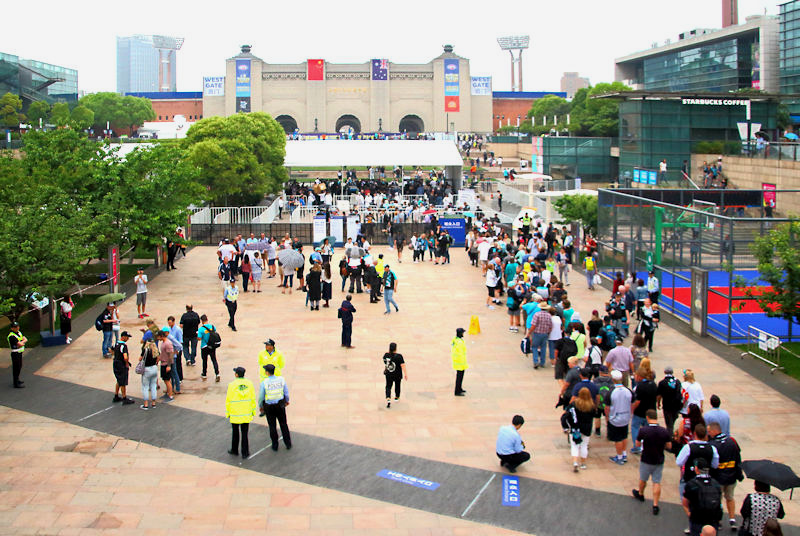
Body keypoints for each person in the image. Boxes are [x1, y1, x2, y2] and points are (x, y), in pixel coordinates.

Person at [632, 409, 672, 515]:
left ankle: (640, 494)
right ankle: (655, 504)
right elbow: (669, 446)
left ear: (647, 418)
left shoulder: (644, 430)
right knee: (656, 482)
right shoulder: (664, 431)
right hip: (659, 459)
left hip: (646, 458)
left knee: (643, 479)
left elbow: (637, 444)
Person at [708, 421, 743, 531]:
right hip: (731, 476)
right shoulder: (732, 441)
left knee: (717, 500)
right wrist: (739, 473)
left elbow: (712, 463)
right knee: (730, 498)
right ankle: (732, 519)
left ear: (714, 431)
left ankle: (718, 520)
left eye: (709, 431)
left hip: (718, 478)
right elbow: (738, 459)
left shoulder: (713, 445)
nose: (708, 433)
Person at [682, 457, 723, 536]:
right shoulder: (715, 483)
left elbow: (685, 502)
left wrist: (690, 514)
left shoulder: (691, 484)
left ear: (696, 468)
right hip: (713, 520)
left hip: (697, 519)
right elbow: (719, 501)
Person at [258, 364, 292, 451]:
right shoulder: (281, 379)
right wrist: (286, 401)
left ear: (267, 372)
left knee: (272, 426)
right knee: (284, 424)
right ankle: (288, 443)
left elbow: (261, 397)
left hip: (269, 406)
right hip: (280, 405)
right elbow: (286, 392)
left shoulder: (264, 382)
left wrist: (261, 406)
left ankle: (275, 445)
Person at [226, 366, 257, 459]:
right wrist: (253, 411)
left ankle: (234, 450)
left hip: (235, 413)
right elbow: (252, 398)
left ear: (236, 374)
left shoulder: (232, 385)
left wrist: (228, 413)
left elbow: (228, 400)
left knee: (235, 432)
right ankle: (245, 452)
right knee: (245, 433)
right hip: (246, 413)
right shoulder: (249, 384)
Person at [562, 387, 595, 472]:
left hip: (576, 428)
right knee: (584, 445)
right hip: (587, 428)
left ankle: (575, 462)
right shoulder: (591, 405)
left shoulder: (574, 404)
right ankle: (583, 464)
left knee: (574, 446)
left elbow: (568, 414)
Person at [607, 370, 633, 465]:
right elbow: (633, 402)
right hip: (625, 417)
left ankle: (619, 457)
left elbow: (607, 407)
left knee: (617, 438)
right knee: (624, 436)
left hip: (615, 418)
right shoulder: (628, 391)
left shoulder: (611, 391)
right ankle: (624, 453)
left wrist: (607, 418)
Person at [657, 366, 683, 435]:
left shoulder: (662, 383)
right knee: (671, 422)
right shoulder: (677, 382)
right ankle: (670, 434)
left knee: (669, 424)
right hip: (676, 406)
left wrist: (658, 403)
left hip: (667, 406)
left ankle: (669, 438)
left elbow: (659, 395)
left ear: (664, 372)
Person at [112, 331, 135, 404]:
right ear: (123, 337)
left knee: (119, 380)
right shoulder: (123, 346)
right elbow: (125, 357)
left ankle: (116, 396)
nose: (128, 339)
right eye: (127, 337)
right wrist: (126, 363)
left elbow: (112, 350)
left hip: (115, 362)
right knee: (123, 381)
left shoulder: (116, 343)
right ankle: (124, 398)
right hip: (121, 365)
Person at [382, 342, 407, 408]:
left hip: (389, 374)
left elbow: (386, 363)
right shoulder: (399, 356)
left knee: (388, 386)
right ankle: (396, 397)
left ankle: (388, 398)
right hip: (397, 374)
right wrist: (405, 374)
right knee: (397, 385)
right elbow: (403, 365)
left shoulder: (386, 355)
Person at [197, 314, 221, 382]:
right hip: (212, 346)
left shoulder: (201, 329)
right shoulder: (212, 327)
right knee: (214, 360)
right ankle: (217, 373)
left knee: (204, 360)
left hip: (204, 346)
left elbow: (199, 338)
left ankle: (204, 373)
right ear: (207, 319)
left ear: (201, 321)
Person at [138, 339, 160, 411]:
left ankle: (146, 404)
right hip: (154, 368)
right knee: (153, 385)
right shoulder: (156, 350)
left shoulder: (145, 350)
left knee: (145, 387)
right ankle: (153, 403)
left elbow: (140, 358)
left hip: (147, 369)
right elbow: (158, 359)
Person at [7, 321, 27, 388]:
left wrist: (22, 342)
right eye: (15, 327)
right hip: (15, 353)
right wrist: (23, 341)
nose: (17, 328)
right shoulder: (11, 336)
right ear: (12, 328)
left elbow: (23, 340)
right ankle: (16, 383)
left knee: (19, 366)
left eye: (18, 326)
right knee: (16, 368)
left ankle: (17, 380)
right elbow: (20, 344)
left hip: (19, 353)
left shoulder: (19, 333)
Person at [156, 330, 175, 400]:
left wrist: (169, 365)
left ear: (161, 336)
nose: (157, 338)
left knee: (167, 380)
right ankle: (167, 393)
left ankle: (170, 395)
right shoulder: (164, 343)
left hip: (167, 363)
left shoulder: (167, 343)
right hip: (163, 363)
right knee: (165, 379)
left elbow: (171, 354)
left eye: (158, 337)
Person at [451, 328, 468, 396]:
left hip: (458, 361)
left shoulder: (455, 340)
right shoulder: (460, 342)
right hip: (460, 362)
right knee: (459, 377)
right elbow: (460, 353)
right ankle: (457, 391)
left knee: (460, 376)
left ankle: (459, 388)